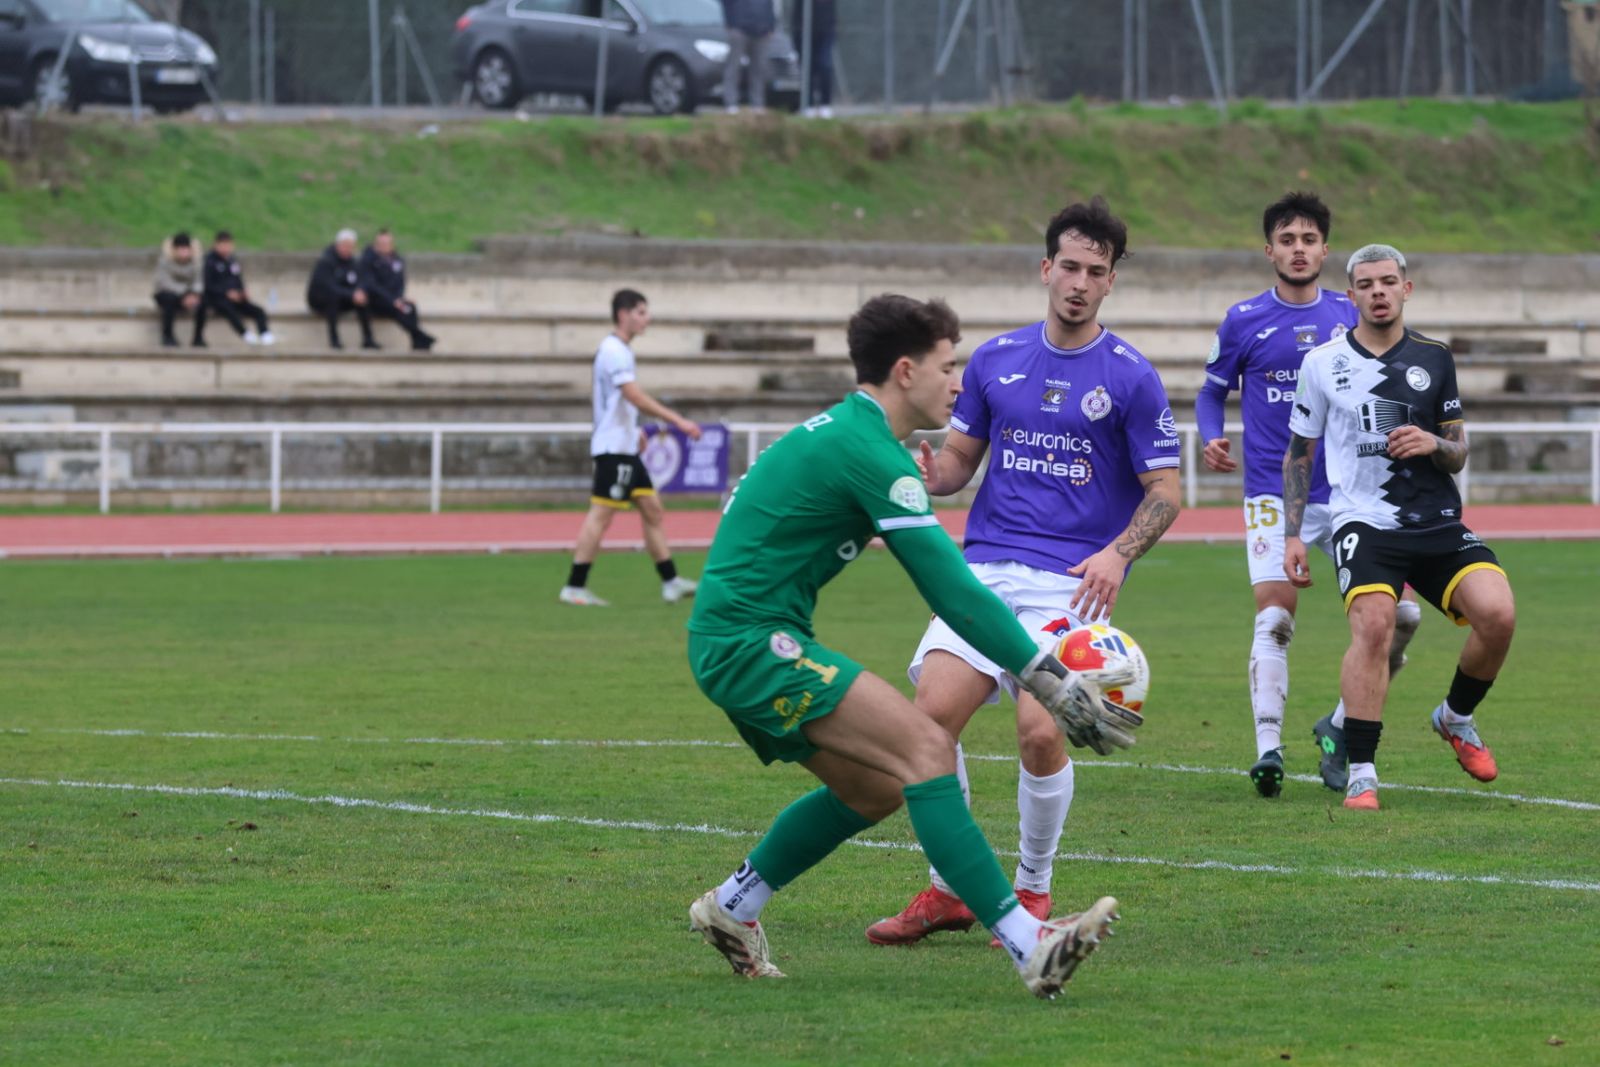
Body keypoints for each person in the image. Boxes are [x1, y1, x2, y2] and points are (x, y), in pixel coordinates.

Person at [686, 293, 1141, 998]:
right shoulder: (871, 453)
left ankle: (732, 905)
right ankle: (1030, 944)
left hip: (740, 639)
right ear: (906, 371)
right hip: (751, 643)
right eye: (946, 366)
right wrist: (1047, 677)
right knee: (927, 748)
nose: (958, 384)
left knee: (873, 787)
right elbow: (955, 593)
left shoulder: (846, 435)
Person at [864, 198, 1181, 948]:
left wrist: (1118, 553)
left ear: (1111, 281)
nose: (1079, 282)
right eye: (1069, 266)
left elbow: (1166, 490)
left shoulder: (1132, 376)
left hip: (1071, 584)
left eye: (1095, 271)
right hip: (980, 575)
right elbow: (957, 464)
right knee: (929, 723)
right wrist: (927, 475)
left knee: (1042, 730)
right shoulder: (996, 358)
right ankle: (949, 890)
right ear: (1046, 268)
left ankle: (1033, 890)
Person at [1196, 192, 1421, 798]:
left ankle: (1340, 726)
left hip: (1353, 495)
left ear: (1325, 250)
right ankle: (1268, 750)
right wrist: (1212, 436)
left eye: (1309, 240)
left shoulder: (1351, 317)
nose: (1298, 249)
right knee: (1274, 617)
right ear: (1269, 250)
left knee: (1403, 617)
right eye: (1287, 240)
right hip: (1274, 494)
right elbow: (1211, 391)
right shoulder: (1243, 319)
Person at [1284, 244, 1516, 812]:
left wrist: (1432, 442)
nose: (1379, 292)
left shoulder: (1435, 358)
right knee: (1374, 626)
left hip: (1435, 519)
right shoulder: (1322, 363)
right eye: (1366, 284)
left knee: (1498, 614)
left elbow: (1457, 452)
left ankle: (1455, 717)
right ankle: (1362, 771)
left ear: (1405, 289)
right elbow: (1299, 453)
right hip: (1363, 519)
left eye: (1388, 281)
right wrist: (1293, 534)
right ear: (1351, 296)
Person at [560, 289, 701, 607]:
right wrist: (678, 421)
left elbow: (616, 401)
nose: (646, 319)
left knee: (652, 510)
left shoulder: (620, 350)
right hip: (613, 450)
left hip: (625, 447)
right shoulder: (613, 350)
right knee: (601, 516)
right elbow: (632, 395)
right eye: (641, 312)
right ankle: (574, 587)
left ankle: (671, 581)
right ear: (623, 314)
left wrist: (634, 430)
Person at [359, 228, 435, 351]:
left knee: (410, 306)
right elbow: (371, 285)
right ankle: (420, 336)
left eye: (387, 243)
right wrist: (393, 300)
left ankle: (417, 339)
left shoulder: (397, 260)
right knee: (400, 309)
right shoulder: (368, 260)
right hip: (376, 301)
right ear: (376, 244)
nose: (384, 246)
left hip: (394, 299)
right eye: (381, 244)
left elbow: (400, 283)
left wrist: (399, 298)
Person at [306, 229, 375, 350]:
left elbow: (360, 281)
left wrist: (358, 292)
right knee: (333, 297)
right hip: (320, 300)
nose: (348, 249)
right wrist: (351, 294)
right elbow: (329, 286)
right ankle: (334, 340)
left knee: (362, 298)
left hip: (343, 297)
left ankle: (368, 339)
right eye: (345, 245)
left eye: (351, 246)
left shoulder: (353, 262)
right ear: (338, 244)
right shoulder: (326, 261)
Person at [203, 230, 275, 347]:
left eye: (228, 244)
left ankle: (264, 334)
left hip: (236, 297)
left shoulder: (232, 260)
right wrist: (227, 293)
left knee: (258, 310)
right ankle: (245, 334)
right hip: (218, 299)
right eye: (223, 244)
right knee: (229, 310)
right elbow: (209, 285)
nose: (226, 248)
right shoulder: (209, 261)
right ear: (216, 245)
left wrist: (242, 292)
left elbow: (238, 279)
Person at [720, 0, 776, 112]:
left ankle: (757, 104)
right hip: (739, 29)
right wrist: (731, 24)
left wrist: (771, 26)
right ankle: (731, 103)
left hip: (761, 31)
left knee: (758, 69)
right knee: (733, 67)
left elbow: (770, 5)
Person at [152, 232, 205, 348]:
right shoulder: (164, 262)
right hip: (167, 294)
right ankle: (167, 336)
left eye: (186, 249)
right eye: (181, 249)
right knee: (169, 300)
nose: (184, 252)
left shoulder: (196, 262)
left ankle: (198, 337)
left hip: (189, 296)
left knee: (204, 302)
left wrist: (194, 294)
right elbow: (165, 283)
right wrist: (184, 294)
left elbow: (199, 281)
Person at [790, 0, 836, 118]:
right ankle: (808, 104)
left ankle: (825, 105)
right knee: (807, 69)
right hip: (803, 32)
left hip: (825, 31)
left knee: (825, 65)